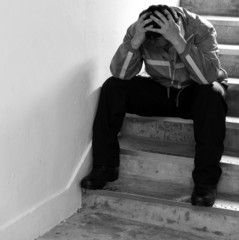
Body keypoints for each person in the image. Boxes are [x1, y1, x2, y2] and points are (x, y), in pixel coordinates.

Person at [80, 5, 228, 207]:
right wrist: (135, 42)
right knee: (112, 87)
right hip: (161, 89)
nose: (161, 50)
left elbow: (207, 77)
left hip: (194, 91)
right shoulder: (139, 30)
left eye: (164, 44)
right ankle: (105, 167)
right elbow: (121, 74)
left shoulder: (202, 29)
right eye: (155, 46)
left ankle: (205, 182)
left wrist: (178, 41)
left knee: (213, 95)